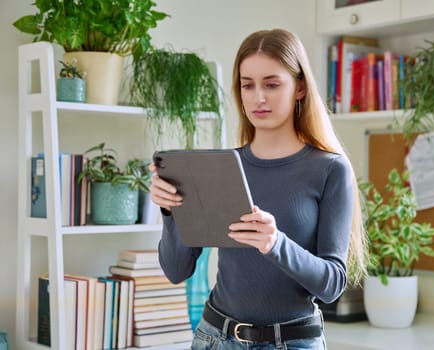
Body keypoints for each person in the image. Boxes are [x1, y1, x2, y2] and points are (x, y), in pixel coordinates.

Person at [149, 28, 367, 350]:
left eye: (272, 84)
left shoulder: (330, 169)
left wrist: (275, 243)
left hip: (293, 342)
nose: (258, 97)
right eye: (247, 85)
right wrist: (170, 210)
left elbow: (332, 285)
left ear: (300, 88)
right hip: (215, 338)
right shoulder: (220, 168)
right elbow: (176, 270)